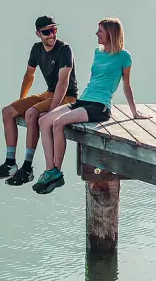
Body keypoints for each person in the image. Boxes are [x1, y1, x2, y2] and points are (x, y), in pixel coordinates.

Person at [32, 17, 148, 194]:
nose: (96, 34)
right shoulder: (97, 52)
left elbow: (126, 86)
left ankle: (56, 171)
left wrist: (134, 112)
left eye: (100, 31)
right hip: (83, 100)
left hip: (99, 106)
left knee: (58, 123)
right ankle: (50, 171)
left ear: (110, 33)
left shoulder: (124, 57)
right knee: (44, 121)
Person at [0, 15, 79, 185]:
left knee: (31, 114)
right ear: (38, 34)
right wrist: (20, 101)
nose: (51, 35)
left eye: (54, 30)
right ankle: (10, 164)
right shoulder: (36, 49)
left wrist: (52, 110)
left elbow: (63, 82)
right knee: (7, 112)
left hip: (67, 96)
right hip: (48, 93)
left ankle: (27, 168)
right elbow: (29, 75)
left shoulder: (64, 49)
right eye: (47, 32)